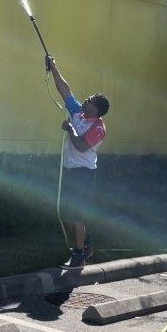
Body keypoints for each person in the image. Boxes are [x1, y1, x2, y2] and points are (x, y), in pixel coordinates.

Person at [46, 56, 109, 268]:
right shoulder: (78, 112)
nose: (86, 101)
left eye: (90, 100)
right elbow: (65, 90)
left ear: (97, 109)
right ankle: (85, 245)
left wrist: (70, 129)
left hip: (83, 172)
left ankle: (79, 255)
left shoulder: (99, 128)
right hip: (70, 169)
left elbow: (81, 145)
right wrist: (53, 67)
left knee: (76, 214)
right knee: (67, 215)